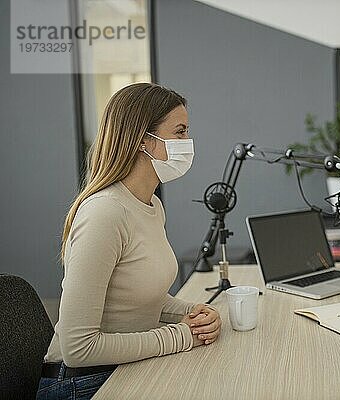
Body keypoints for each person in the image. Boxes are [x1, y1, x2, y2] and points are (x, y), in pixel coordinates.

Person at [36, 83, 222, 400]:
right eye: (179, 132)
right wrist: (182, 336)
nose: (187, 143)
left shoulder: (151, 205)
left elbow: (139, 299)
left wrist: (194, 313)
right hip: (81, 383)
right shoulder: (104, 213)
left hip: (124, 367)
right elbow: (78, 347)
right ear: (142, 140)